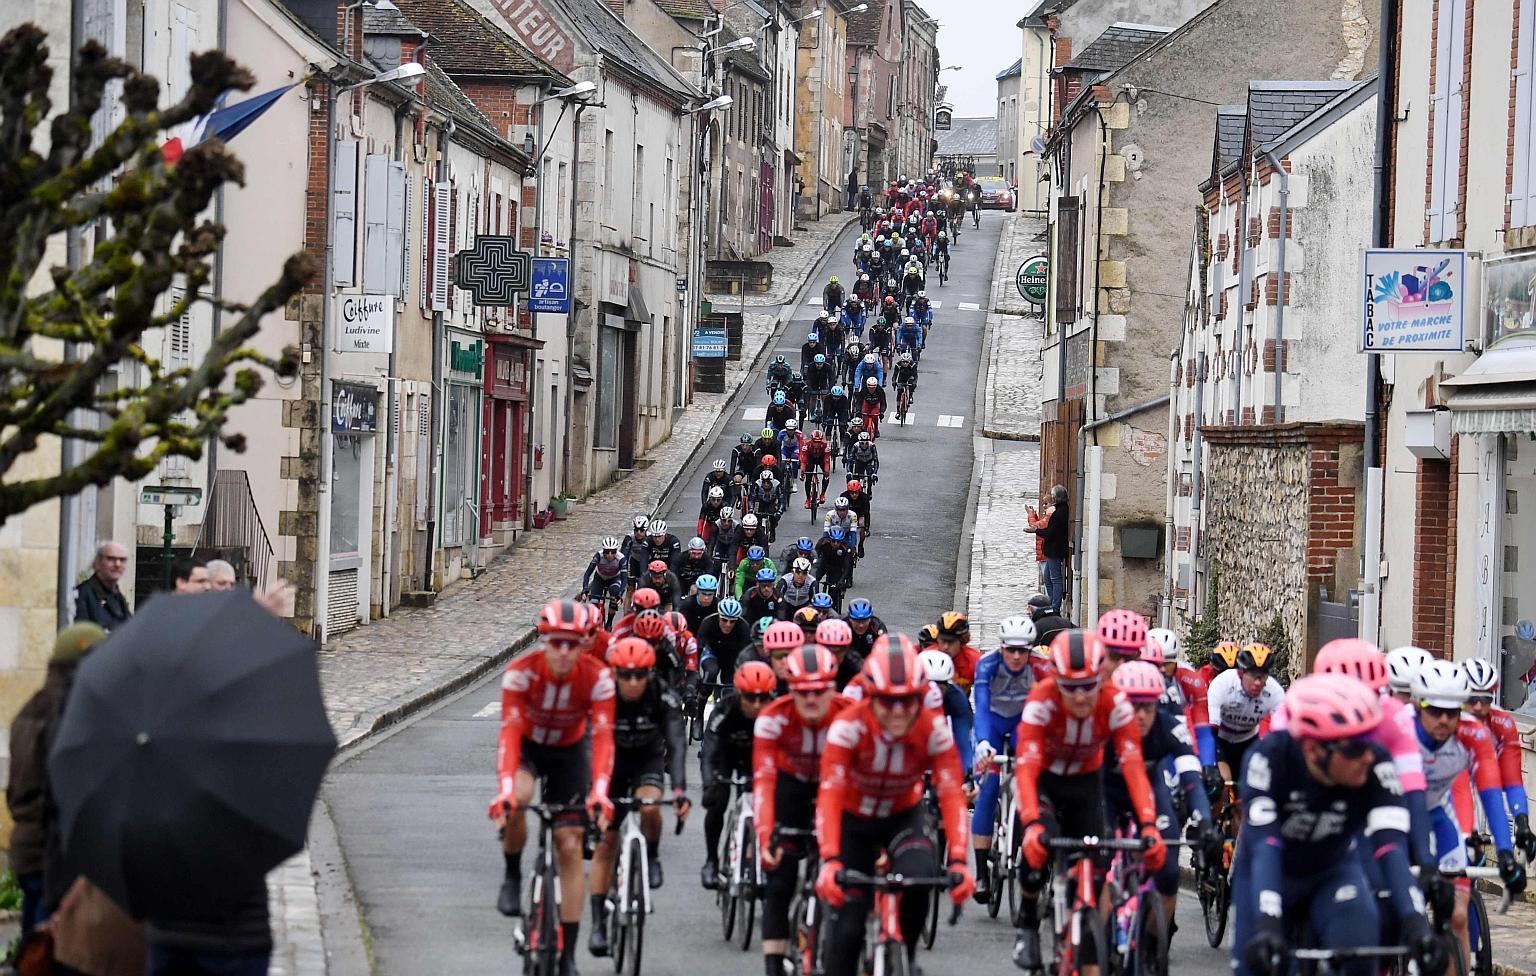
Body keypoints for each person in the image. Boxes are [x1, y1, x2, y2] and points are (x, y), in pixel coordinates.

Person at [1232, 675, 1441, 976]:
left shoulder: (1375, 764)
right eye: (1355, 748)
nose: (1368, 756)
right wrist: (1268, 924)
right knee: (1264, 963)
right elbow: (1265, 847)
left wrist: (1418, 924)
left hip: (1332, 870)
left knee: (1361, 946)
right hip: (1271, 870)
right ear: (1314, 750)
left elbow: (1391, 847)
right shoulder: (1270, 759)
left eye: (1370, 740)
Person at [815, 637, 975, 976]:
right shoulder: (848, 727)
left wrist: (959, 859)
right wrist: (829, 860)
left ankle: (907, 954)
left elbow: (950, 794)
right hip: (853, 820)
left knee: (919, 881)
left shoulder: (931, 728)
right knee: (847, 930)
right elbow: (829, 795)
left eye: (908, 701)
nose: (899, 712)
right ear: (871, 696)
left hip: (904, 815)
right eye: (888, 702)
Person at [1008, 630, 1163, 973]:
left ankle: (1088, 939)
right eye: (1070, 688)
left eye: (1088, 687)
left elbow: (1133, 765)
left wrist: (1149, 823)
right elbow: (1026, 767)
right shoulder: (1041, 700)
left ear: (1101, 678)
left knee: (1095, 873)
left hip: (1084, 785)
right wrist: (1032, 824)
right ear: (1055, 681)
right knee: (1036, 858)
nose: (1080, 698)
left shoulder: (1115, 701)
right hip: (1045, 782)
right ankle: (1028, 923)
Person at [489, 600, 615, 976]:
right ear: (543, 641)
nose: (563, 652)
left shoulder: (598, 677)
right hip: (529, 748)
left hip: (569, 752)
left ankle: (569, 953)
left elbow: (604, 739)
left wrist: (600, 793)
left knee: (571, 845)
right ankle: (512, 873)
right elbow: (509, 736)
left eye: (572, 644)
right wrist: (506, 791)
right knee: (519, 799)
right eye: (555, 642)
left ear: (584, 643)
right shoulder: (520, 673)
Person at [1411, 660, 1526, 964]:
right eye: (1436, 710)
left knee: (1458, 912)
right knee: (1402, 910)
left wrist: (1505, 850)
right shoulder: (1408, 731)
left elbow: (1494, 790)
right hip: (1401, 816)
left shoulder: (1477, 733)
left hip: (1440, 814)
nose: (1475, 707)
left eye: (1484, 700)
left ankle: (1464, 962)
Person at [587, 638, 689, 956]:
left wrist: (680, 790)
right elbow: (590, 747)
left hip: (647, 757)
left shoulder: (663, 695)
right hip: (611, 763)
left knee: (650, 808)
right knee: (606, 843)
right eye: (625, 675)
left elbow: (676, 744)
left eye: (640, 675)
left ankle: (653, 856)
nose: (633, 683)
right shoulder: (602, 696)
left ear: (650, 673)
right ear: (614, 672)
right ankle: (597, 925)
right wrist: (595, 793)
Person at [754, 644, 852, 976]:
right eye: (803, 691)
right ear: (790, 688)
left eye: (820, 690)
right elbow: (764, 784)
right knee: (779, 879)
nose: (811, 700)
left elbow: (859, 782)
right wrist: (767, 838)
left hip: (836, 788)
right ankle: (772, 964)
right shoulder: (772, 717)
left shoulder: (849, 713)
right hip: (789, 789)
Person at [7, 623, 108, 940]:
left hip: (26, 846)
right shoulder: (66, 712)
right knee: (51, 944)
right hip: (50, 852)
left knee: (34, 944)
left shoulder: (33, 705)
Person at [1107, 661, 1218, 938]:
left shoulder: (1168, 726)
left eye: (1148, 706)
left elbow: (1191, 778)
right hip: (1107, 792)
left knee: (1168, 874)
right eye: (1133, 707)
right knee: (1095, 867)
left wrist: (1204, 821)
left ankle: (1155, 946)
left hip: (1151, 791)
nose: (1141, 715)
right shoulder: (1101, 728)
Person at [969, 615, 1048, 902]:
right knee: (988, 790)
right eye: (1011, 650)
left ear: (1031, 650)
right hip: (992, 721)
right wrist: (984, 745)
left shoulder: (1041, 666)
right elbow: (981, 708)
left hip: (1022, 723)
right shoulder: (987, 664)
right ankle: (980, 873)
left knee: (1031, 783)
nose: (1016, 656)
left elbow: (1050, 707)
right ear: (1001, 648)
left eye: (1023, 650)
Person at [701, 662, 776, 888]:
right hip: (725, 755)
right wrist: (709, 784)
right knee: (718, 801)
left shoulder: (774, 711)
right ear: (739, 694)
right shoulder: (725, 709)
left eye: (762, 699)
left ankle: (757, 858)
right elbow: (709, 750)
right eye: (750, 698)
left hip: (756, 758)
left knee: (763, 805)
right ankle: (712, 861)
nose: (756, 705)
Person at [1462, 658, 1536, 859]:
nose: (1478, 706)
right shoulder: (1445, 720)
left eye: (1485, 699)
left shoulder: (1502, 723)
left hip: (1468, 788)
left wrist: (1521, 821)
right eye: (1471, 698)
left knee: (1471, 859)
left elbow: (1511, 782)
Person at [1206, 642, 1284, 785]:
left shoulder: (1274, 691)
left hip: (1247, 741)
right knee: (1223, 781)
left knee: (1255, 783)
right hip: (1220, 740)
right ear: (1241, 673)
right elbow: (1211, 730)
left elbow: (1286, 733)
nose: (1258, 683)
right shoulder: (1222, 683)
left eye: (1263, 676)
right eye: (1253, 676)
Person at [74, 542, 132, 630]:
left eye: (122, 560)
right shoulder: (83, 595)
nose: (117, 564)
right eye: (111, 559)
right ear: (97, 563)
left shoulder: (117, 595)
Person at [698, 597, 752, 685]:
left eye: (732, 621)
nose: (728, 624)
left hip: (731, 657)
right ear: (719, 616)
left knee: (729, 686)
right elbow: (699, 648)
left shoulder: (743, 627)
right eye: (724, 619)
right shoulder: (708, 622)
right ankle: (701, 697)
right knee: (711, 673)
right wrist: (696, 673)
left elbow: (745, 653)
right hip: (712, 653)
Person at [1039, 485, 1069, 612]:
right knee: (1047, 579)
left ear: (1056, 497)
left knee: (1055, 579)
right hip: (1052, 549)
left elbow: (1051, 532)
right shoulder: (1057, 510)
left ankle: (1055, 608)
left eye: (1052, 495)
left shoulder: (1060, 512)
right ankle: (1051, 603)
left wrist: (1037, 531)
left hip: (1055, 550)